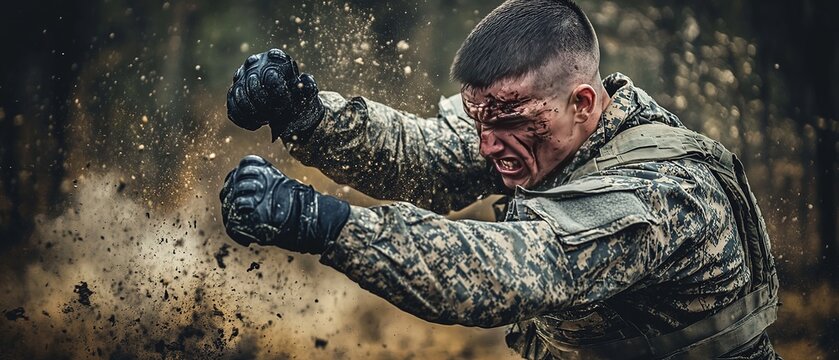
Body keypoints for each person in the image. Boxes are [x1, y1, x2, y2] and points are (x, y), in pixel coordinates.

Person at [219, 0, 780, 358]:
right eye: (479, 120)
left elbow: (498, 272)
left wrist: (322, 222)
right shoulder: (538, 125)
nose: (488, 147)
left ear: (583, 102)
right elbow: (421, 157)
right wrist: (305, 113)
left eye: (508, 122)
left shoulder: (663, 195)